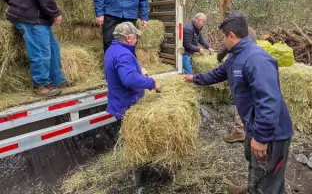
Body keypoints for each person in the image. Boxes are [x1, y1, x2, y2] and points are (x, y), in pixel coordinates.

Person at [185, 12, 293, 194]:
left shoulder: (256, 59)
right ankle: (252, 189)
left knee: (268, 178)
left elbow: (269, 101)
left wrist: (262, 138)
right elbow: (218, 73)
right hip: (253, 124)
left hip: (272, 134)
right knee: (256, 166)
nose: (222, 41)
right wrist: (195, 78)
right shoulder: (236, 56)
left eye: (223, 37)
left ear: (231, 35)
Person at [1, 0, 66, 97]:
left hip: (27, 15)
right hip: (32, 17)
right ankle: (41, 85)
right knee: (41, 51)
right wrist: (55, 12)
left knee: (53, 47)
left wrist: (16, 4)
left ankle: (57, 80)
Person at [104, 22, 160, 119]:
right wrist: (152, 83)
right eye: (135, 37)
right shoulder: (123, 54)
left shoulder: (112, 49)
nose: (136, 39)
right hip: (127, 105)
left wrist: (138, 71)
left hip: (118, 100)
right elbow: (129, 79)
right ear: (128, 38)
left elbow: (120, 71)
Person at [216, 24, 259, 144]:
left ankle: (239, 131)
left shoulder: (233, 31)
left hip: (240, 65)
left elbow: (224, 47)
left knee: (240, 96)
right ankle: (248, 128)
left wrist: (219, 58)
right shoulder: (251, 30)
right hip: (249, 65)